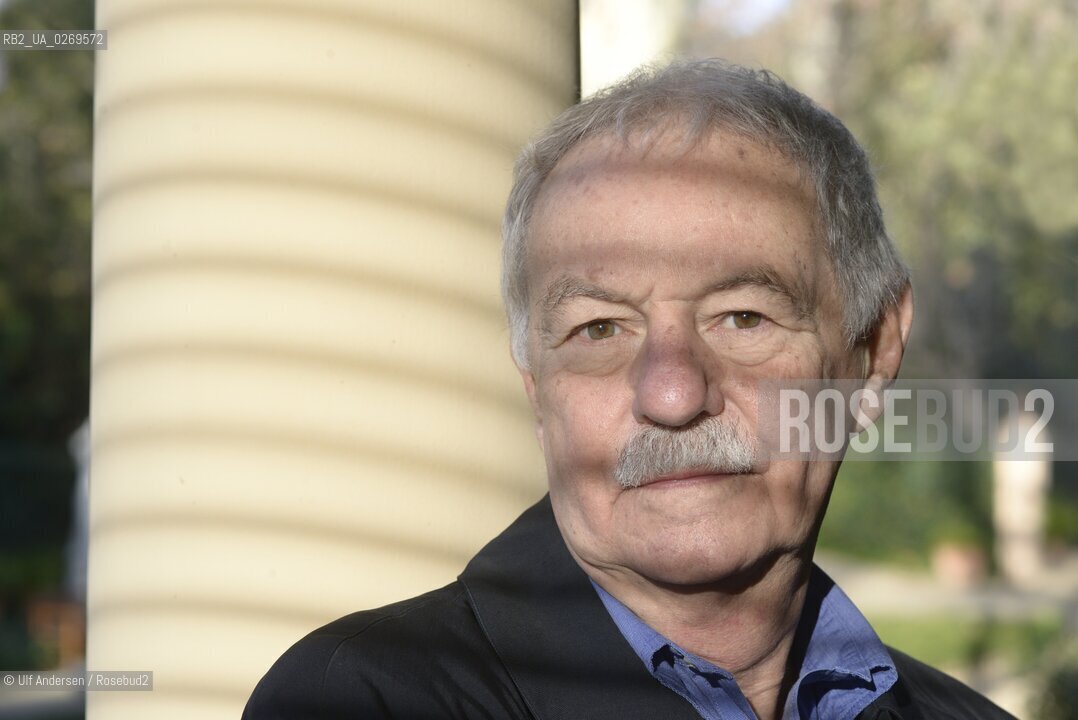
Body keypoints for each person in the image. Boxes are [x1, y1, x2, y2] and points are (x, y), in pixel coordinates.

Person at [243, 59, 1015, 720]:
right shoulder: (364, 702)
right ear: (537, 386)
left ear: (873, 354)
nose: (673, 395)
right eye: (601, 330)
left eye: (742, 316)